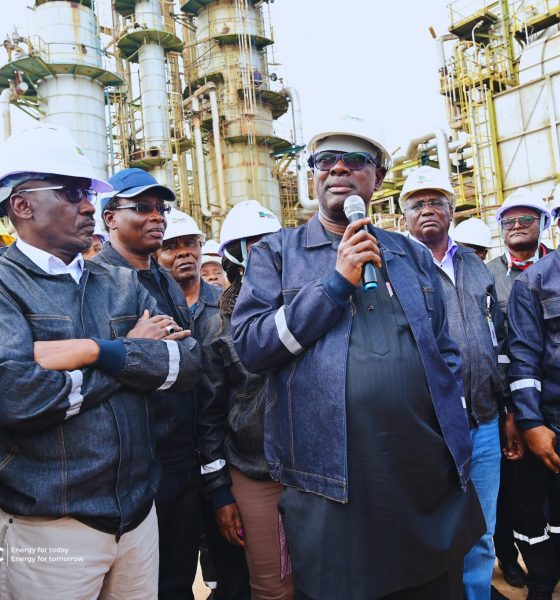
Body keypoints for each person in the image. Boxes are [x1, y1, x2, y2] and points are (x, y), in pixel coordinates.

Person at [231, 117, 484, 600]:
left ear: (378, 178)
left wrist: (444, 424)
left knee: (433, 585)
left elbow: (444, 350)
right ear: (312, 174)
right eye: (326, 160)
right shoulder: (277, 253)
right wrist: (335, 284)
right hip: (333, 483)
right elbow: (252, 346)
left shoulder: (409, 254)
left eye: (355, 161)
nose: (339, 169)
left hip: (422, 473)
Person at [0, 124, 201, 599]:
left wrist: (96, 351)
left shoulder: (121, 283)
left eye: (88, 194)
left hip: (137, 518)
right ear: (22, 205)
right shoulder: (6, 285)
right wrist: (130, 360)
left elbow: (186, 364)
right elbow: (18, 398)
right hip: (51, 527)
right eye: (72, 193)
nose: (89, 206)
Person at [400, 165, 523, 600]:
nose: (427, 210)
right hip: (428, 427)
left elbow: (497, 341)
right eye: (417, 204)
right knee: (431, 531)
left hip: (484, 423)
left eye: (436, 202)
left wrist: (507, 410)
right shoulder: (395, 266)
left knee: (481, 530)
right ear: (404, 216)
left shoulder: (476, 266)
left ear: (451, 211)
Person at [95, 168, 214, 600]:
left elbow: (190, 359)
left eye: (161, 208)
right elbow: (106, 365)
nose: (156, 217)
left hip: (182, 456)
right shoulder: (96, 280)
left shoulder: (163, 280)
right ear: (110, 217)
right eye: (142, 207)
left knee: (178, 579)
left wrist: (147, 354)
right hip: (135, 465)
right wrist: (142, 352)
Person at [155, 207, 251, 600]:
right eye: (171, 246)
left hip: (224, 461)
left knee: (233, 570)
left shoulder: (228, 305)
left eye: (190, 243)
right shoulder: (148, 306)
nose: (184, 253)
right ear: (157, 253)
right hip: (169, 462)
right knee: (170, 574)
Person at [206, 200, 293, 600]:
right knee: (273, 588)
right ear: (234, 256)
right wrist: (220, 491)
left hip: (317, 469)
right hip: (255, 471)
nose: (267, 251)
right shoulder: (217, 327)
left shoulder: (308, 303)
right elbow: (208, 417)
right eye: (255, 244)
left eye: (272, 241)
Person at [490, 188, 557, 600]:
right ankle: (518, 564)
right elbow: (511, 353)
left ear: (544, 224)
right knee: (519, 497)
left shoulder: (550, 268)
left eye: (526, 219)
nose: (516, 226)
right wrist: (515, 414)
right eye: (509, 221)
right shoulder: (489, 275)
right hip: (522, 407)